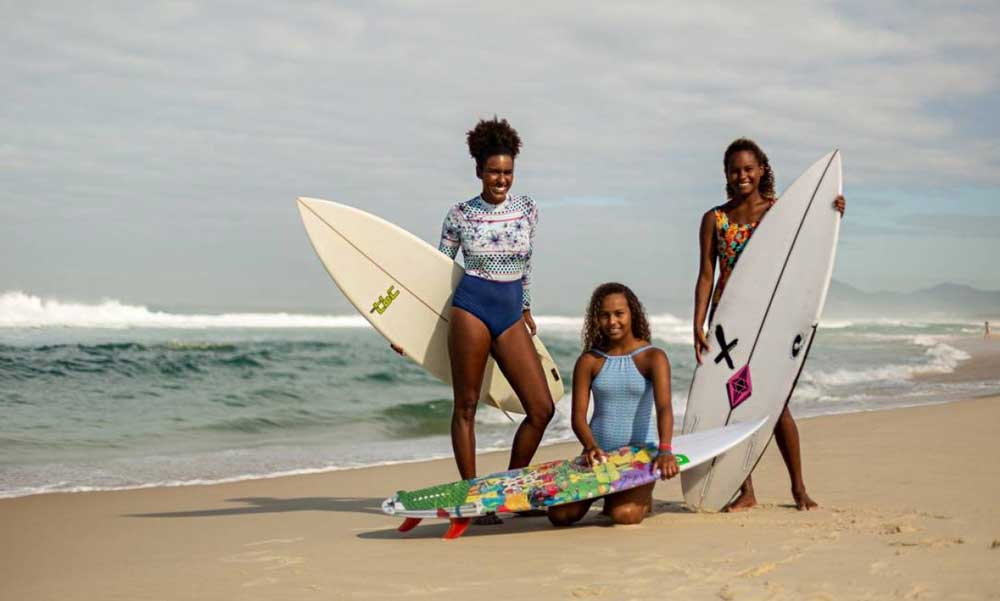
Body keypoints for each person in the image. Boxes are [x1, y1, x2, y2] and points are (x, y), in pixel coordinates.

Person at [396, 117, 555, 496]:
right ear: (478, 171)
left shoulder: (529, 209)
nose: (501, 180)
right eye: (493, 172)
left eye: (507, 172)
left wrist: (527, 307)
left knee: (540, 409)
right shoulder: (460, 215)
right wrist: (405, 330)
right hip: (471, 309)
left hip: (510, 311)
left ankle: (508, 488)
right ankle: (471, 495)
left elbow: (527, 263)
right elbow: (438, 273)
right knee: (466, 406)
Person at [692, 138, 845, 512]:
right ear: (726, 174)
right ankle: (746, 491)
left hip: (772, 321)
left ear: (762, 169)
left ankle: (798, 488)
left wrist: (832, 212)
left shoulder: (782, 215)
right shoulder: (714, 218)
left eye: (749, 168)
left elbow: (810, 253)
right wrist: (697, 324)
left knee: (777, 402)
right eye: (735, 169)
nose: (742, 175)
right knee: (733, 400)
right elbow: (706, 275)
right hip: (729, 324)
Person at [548, 283, 679, 527]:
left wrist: (665, 450)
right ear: (596, 319)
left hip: (639, 453)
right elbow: (578, 417)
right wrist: (590, 447)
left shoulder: (653, 357)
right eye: (604, 315)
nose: (612, 321)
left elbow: (664, 408)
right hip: (598, 454)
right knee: (560, 515)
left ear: (632, 314)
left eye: (619, 313)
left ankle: (637, 496)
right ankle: (612, 492)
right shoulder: (589, 360)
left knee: (624, 516)